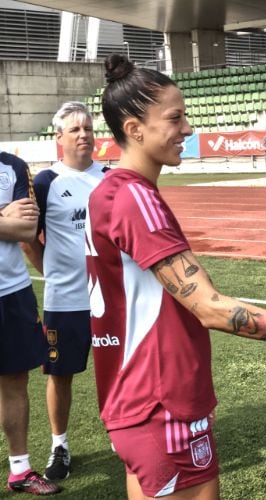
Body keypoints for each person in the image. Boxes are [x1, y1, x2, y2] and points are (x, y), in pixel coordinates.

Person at [88, 54, 266, 499]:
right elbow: (210, 308)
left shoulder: (109, 191)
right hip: (157, 398)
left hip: (142, 397)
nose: (187, 129)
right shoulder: (134, 199)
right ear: (134, 129)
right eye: (176, 118)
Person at [21, 102, 108, 482]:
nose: (84, 134)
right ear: (59, 137)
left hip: (108, 299)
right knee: (60, 374)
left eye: (88, 128)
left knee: (118, 369)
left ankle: (123, 434)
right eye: (75, 129)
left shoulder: (110, 177)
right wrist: (53, 272)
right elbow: (27, 239)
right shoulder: (44, 183)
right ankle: (60, 444)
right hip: (65, 300)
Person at [0, 151, 62, 495]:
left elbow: (26, 229)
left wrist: (13, 222)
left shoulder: (12, 166)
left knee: (15, 379)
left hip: (12, 291)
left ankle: (20, 470)